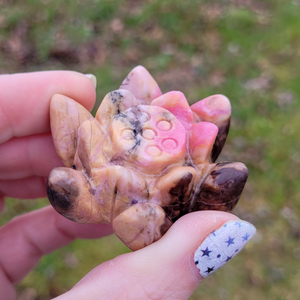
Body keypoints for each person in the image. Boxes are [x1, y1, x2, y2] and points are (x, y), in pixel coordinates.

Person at [0, 71, 256, 300]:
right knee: (70, 186)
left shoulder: (184, 176)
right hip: (110, 187)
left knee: (147, 215)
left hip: (161, 199)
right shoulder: (91, 141)